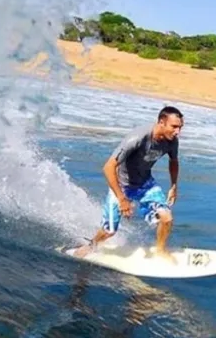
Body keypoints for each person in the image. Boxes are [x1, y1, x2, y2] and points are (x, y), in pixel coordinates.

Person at [72, 106, 184, 262]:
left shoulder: (172, 142)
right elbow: (108, 167)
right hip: (122, 185)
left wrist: (173, 186)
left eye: (180, 127)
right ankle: (92, 245)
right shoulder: (137, 139)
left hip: (146, 184)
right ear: (161, 122)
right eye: (174, 127)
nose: (178, 131)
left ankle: (160, 250)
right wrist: (121, 198)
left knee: (167, 218)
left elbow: (174, 161)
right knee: (109, 230)